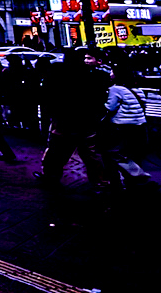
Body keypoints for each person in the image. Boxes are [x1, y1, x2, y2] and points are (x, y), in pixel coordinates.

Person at [40, 50, 117, 193]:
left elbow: (47, 96)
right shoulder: (94, 75)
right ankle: (100, 181)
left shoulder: (56, 74)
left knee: (57, 152)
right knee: (90, 154)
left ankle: (51, 177)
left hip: (64, 120)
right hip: (87, 120)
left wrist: (52, 114)